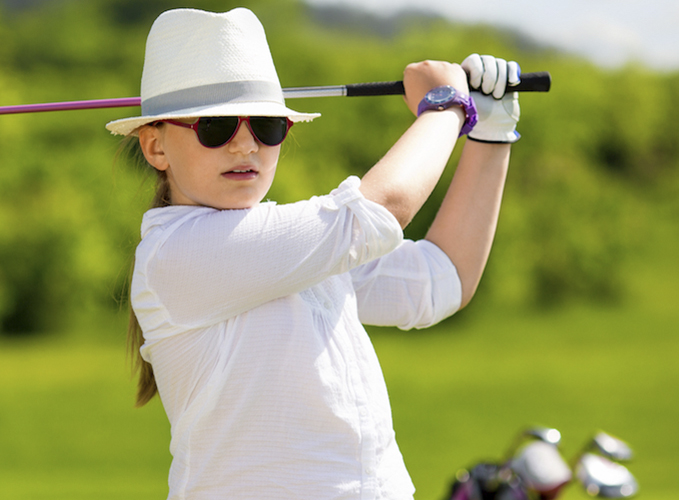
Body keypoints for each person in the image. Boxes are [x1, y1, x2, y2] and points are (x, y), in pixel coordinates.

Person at [107, 7, 521, 500]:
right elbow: (380, 209)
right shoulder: (178, 253)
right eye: (215, 127)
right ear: (155, 147)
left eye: (266, 126)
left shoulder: (292, 243)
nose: (245, 145)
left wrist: (490, 137)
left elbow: (441, 279)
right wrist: (446, 108)